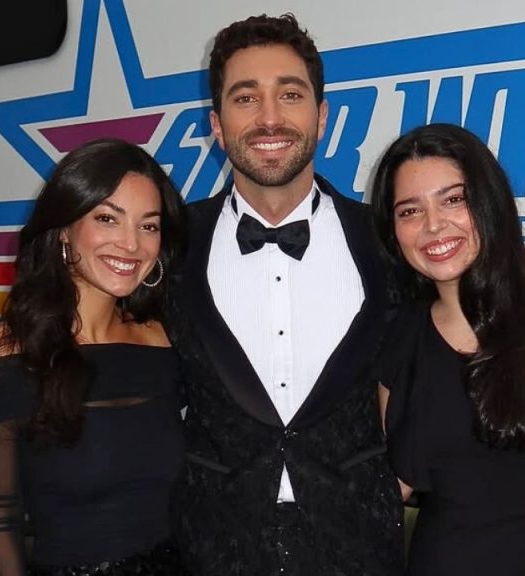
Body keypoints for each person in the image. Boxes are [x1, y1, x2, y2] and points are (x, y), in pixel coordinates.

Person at [168, 13, 404, 576]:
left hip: (361, 548)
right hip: (209, 547)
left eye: (290, 95)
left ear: (321, 117)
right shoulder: (170, 245)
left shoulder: (389, 241)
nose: (269, 118)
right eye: (245, 98)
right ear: (217, 126)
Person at [370, 124, 525, 576]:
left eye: (453, 199)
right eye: (410, 210)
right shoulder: (403, 331)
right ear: (394, 231)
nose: (433, 225)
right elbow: (396, 481)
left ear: (489, 202)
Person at [0, 139, 189, 576]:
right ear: (64, 228)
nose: (131, 245)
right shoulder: (1, 353)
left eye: (149, 226)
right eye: (107, 219)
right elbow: (0, 518)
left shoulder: (161, 341)